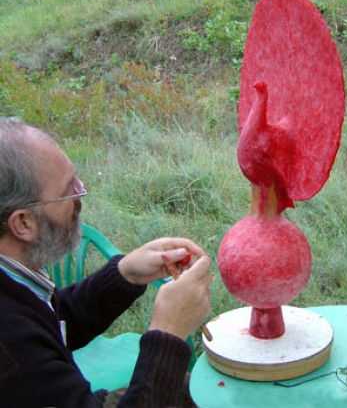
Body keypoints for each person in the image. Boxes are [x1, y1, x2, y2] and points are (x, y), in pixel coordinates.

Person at [0, 117, 212, 407]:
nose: (80, 194)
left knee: (192, 390)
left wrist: (125, 275)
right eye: (67, 190)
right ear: (23, 223)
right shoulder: (10, 350)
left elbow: (54, 327)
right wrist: (169, 331)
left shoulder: (13, 281)